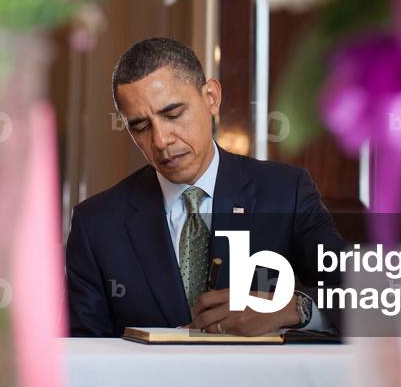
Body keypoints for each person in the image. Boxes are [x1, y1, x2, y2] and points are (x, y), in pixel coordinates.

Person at [66, 37, 348, 337]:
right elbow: (81, 359)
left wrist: (293, 309)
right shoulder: (96, 225)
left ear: (211, 97)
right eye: (141, 126)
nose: (161, 140)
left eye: (173, 114)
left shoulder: (285, 192)